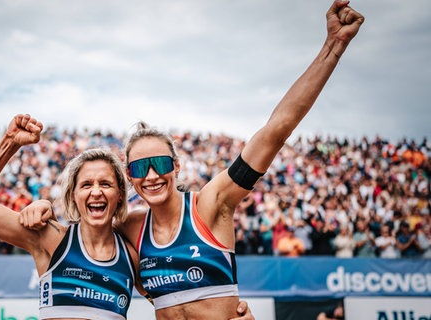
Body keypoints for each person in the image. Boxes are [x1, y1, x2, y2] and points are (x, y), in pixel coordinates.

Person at [25, 1, 364, 318]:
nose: (152, 175)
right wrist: (43, 207)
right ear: (130, 177)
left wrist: (333, 46)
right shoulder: (130, 229)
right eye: (141, 168)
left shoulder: (210, 206)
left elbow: (276, 130)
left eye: (160, 163)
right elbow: (84, 226)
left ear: (176, 166)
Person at [0, 114, 139, 320]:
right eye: (86, 185)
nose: (96, 192)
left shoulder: (131, 257)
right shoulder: (52, 239)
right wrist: (10, 142)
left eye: (105, 184)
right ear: (73, 195)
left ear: (120, 193)